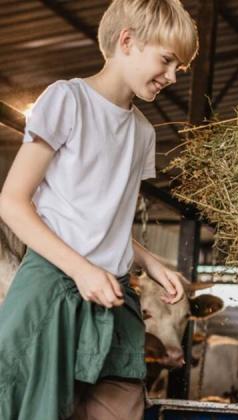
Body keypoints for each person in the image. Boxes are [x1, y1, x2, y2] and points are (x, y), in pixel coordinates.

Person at [0, 1, 198, 418]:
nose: (172, 76)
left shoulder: (143, 132)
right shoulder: (67, 100)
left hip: (114, 293)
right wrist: (80, 269)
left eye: (178, 67)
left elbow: (105, 220)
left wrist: (151, 263)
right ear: (127, 41)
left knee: (121, 406)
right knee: (37, 408)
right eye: (166, 60)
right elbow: (12, 202)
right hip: (53, 286)